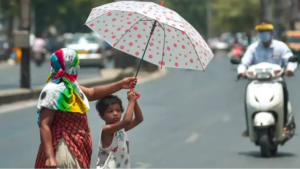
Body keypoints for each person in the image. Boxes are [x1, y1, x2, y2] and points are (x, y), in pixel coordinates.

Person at [34, 48, 138, 169]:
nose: (77, 66)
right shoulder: (53, 90)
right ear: (67, 64)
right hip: (63, 146)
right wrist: (49, 157)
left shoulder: (72, 86)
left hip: (77, 146)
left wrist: (120, 84)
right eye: (75, 63)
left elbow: (92, 93)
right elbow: (44, 124)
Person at [237, 20, 297, 137]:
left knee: (283, 93)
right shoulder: (253, 48)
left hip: (276, 81)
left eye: (266, 31)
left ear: (271, 32)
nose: (263, 33)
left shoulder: (281, 47)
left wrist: (290, 69)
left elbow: (290, 59)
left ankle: (284, 125)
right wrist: (241, 72)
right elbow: (244, 62)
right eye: (261, 31)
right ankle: (249, 126)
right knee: (247, 98)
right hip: (256, 83)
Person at [95, 92, 143, 169]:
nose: (115, 113)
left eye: (118, 110)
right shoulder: (106, 130)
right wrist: (131, 101)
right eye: (110, 111)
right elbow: (127, 120)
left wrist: (135, 101)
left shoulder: (121, 129)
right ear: (101, 116)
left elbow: (139, 119)